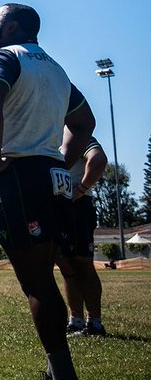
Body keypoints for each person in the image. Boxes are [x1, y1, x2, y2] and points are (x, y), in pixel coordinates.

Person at [0, 3, 94, 380]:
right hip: (52, 178)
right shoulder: (57, 70)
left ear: (11, 27)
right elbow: (84, 124)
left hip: (19, 178)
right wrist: (61, 160)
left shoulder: (3, 58)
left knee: (37, 281)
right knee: (44, 273)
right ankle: (54, 372)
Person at [57, 136, 108, 337]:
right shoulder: (50, 135)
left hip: (77, 208)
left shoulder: (76, 134)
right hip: (58, 207)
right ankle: (76, 321)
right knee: (66, 266)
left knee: (82, 263)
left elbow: (97, 159)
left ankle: (95, 323)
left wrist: (81, 189)